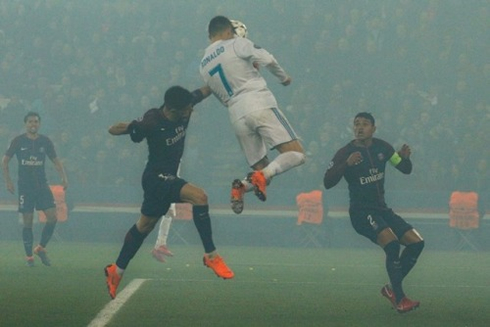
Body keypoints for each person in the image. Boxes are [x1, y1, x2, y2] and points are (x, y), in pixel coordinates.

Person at [104, 85, 234, 300]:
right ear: (173, 110)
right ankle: (211, 255)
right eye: (186, 110)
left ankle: (116, 271)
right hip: (156, 178)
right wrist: (131, 127)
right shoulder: (152, 122)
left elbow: (207, 88)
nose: (190, 112)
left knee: (145, 226)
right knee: (199, 196)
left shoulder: (185, 103)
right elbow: (115, 129)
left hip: (165, 178)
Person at [199, 16, 306, 214]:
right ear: (226, 31)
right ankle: (257, 179)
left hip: (235, 114)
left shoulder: (203, 65)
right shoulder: (236, 43)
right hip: (257, 102)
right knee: (296, 154)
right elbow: (268, 59)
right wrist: (284, 78)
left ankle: (241, 186)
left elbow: (220, 94)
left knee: (264, 171)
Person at [323, 112, 424, 314]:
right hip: (361, 213)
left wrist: (405, 159)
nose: (359, 128)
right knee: (393, 244)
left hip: (382, 209)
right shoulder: (345, 153)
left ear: (373, 129)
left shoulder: (384, 148)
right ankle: (400, 298)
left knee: (417, 243)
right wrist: (346, 165)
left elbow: (405, 169)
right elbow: (327, 181)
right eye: (356, 124)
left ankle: (391, 289)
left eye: (365, 124)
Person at [2, 111, 68, 267]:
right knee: (28, 221)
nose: (33, 124)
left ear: (39, 124)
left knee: (52, 217)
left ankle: (40, 248)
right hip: (25, 187)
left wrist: (64, 177)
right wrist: (8, 181)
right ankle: (29, 257)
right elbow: (4, 161)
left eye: (36, 122)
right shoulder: (18, 141)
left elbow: (56, 160)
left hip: (42, 185)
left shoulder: (45, 141)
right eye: (30, 122)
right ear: (25, 124)